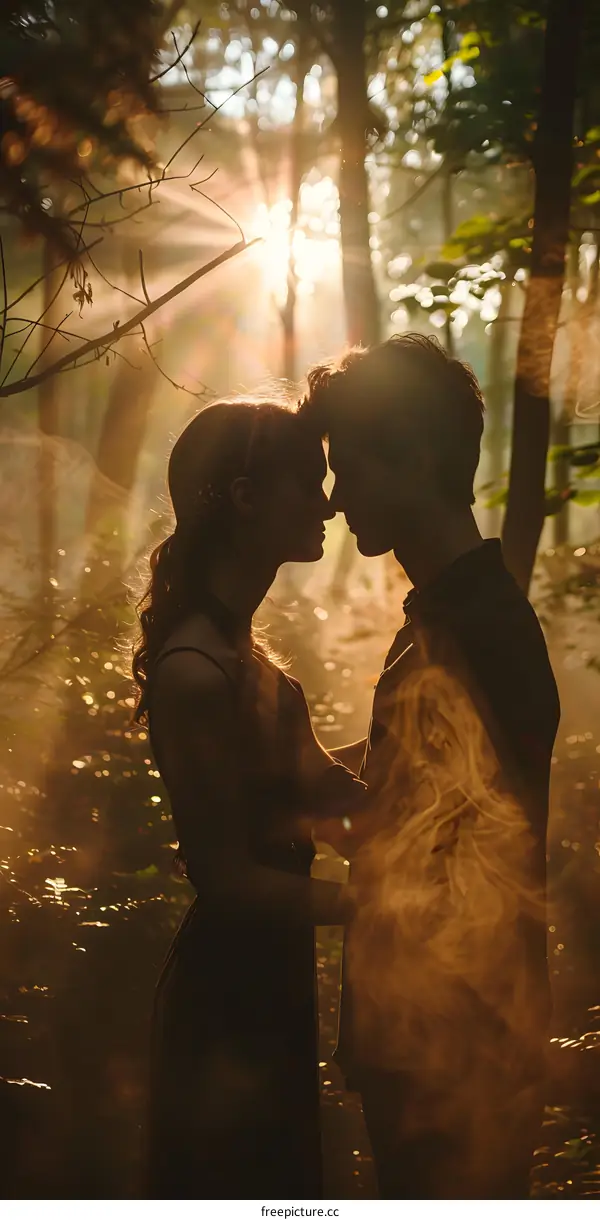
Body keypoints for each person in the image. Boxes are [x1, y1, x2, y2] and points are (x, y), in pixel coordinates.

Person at [300, 333, 560, 1200]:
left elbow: (400, 837)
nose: (334, 500)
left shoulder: (473, 636)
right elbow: (402, 786)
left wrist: (266, 784)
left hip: (455, 1049)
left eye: (350, 468)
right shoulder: (446, 619)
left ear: (411, 458)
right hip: (437, 1037)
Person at [131, 400, 365, 1200]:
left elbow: (335, 799)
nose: (330, 502)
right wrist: (378, 906)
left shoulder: (252, 667)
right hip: (227, 1001)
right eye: (309, 483)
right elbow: (226, 880)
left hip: (269, 986)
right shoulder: (198, 673)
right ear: (244, 497)